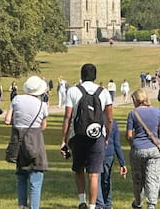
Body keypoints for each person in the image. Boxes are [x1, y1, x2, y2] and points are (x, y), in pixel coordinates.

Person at [61, 63, 113, 209]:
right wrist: (107, 135)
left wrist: (63, 140)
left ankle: (81, 200)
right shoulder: (104, 92)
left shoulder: (73, 91)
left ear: (82, 75)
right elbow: (109, 119)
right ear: (95, 76)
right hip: (97, 135)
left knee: (78, 169)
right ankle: (92, 206)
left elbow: (68, 117)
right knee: (94, 173)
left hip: (78, 135)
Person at [5, 76, 49, 209]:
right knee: (36, 178)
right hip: (35, 141)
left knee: (21, 176)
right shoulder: (42, 105)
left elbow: (7, 119)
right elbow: (43, 126)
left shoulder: (16, 99)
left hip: (18, 141)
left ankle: (21, 206)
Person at [126, 88, 160, 209]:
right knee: (153, 177)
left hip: (138, 148)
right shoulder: (157, 112)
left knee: (138, 178)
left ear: (136, 100)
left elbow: (129, 135)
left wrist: (132, 142)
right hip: (154, 149)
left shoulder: (133, 114)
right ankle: (151, 204)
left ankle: (138, 202)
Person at [96, 119, 128, 209]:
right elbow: (117, 143)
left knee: (98, 179)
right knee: (105, 179)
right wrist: (122, 163)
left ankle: (102, 204)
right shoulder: (112, 122)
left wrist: (122, 162)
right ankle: (105, 203)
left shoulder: (93, 120)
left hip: (99, 153)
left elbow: (117, 143)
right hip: (108, 153)